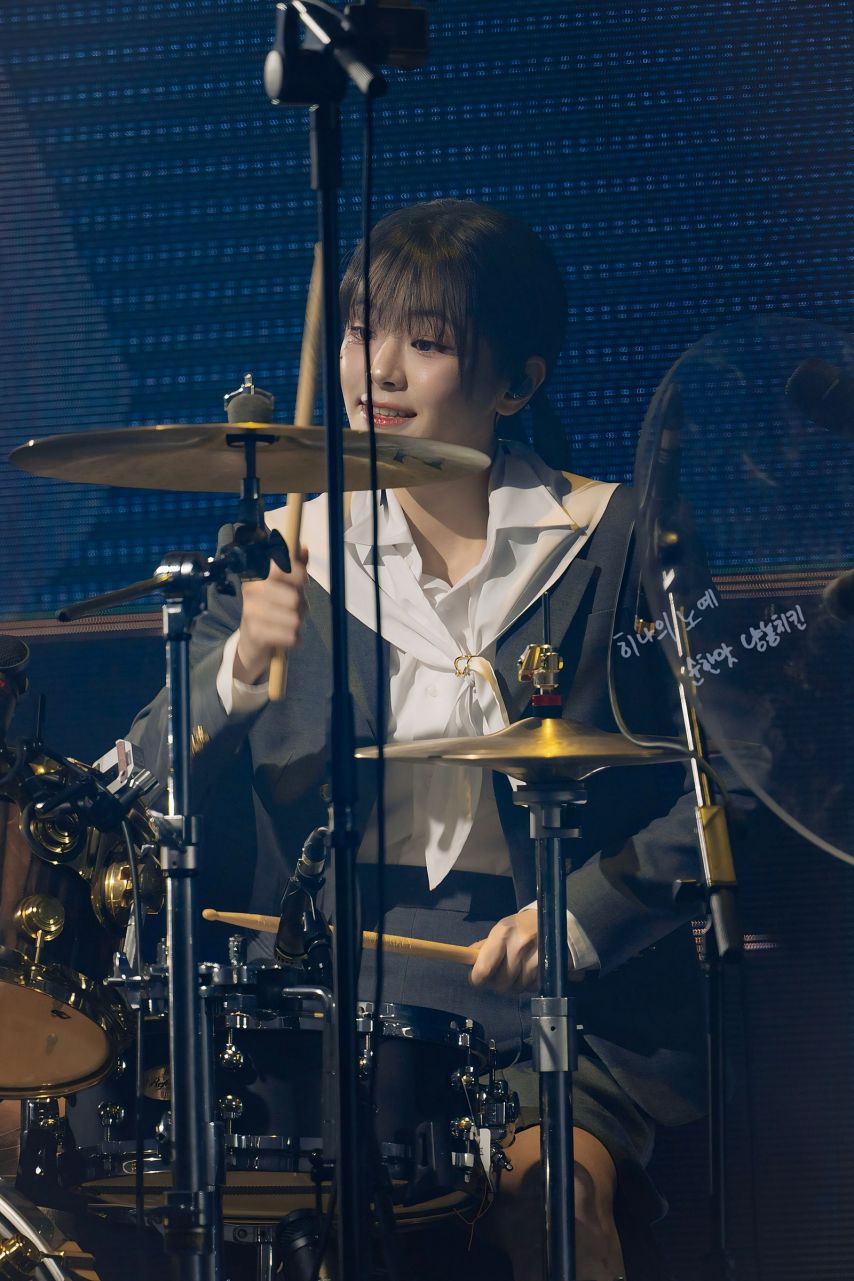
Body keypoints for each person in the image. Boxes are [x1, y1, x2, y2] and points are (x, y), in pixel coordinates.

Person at [130, 199, 712, 1281]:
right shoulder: (287, 541)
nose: (379, 371)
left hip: (552, 982)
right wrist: (238, 667)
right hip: (326, 975)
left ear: (517, 384)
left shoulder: (619, 537)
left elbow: (729, 781)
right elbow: (142, 773)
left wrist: (583, 918)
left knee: (554, 1203)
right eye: (361, 332)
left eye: (428, 342)